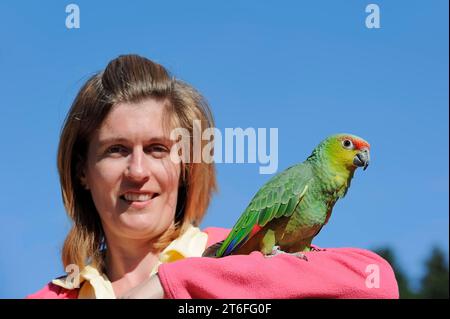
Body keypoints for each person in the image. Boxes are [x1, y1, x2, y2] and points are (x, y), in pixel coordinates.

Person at [27, 54, 398, 299]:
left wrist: (170, 284)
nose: (137, 172)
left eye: (157, 149)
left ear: (186, 163)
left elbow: (375, 282)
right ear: (82, 171)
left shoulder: (223, 253)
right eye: (116, 150)